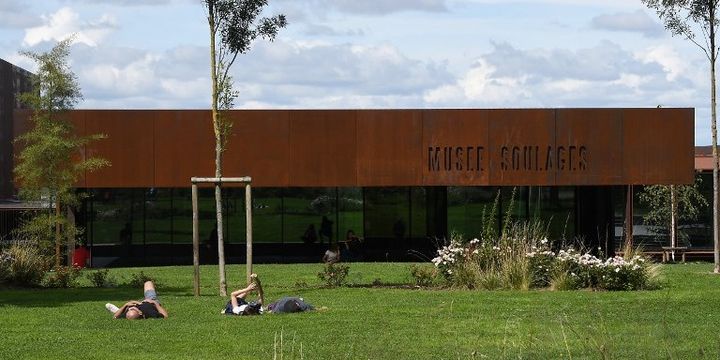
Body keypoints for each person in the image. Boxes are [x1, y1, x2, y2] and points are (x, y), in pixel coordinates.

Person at [223, 274, 314, 315]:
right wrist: (257, 290)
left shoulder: (237, 310)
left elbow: (233, 295)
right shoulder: (259, 310)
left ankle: (248, 290)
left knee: (239, 297)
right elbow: (260, 300)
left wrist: (248, 289)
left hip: (233, 305)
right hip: (242, 303)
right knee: (243, 295)